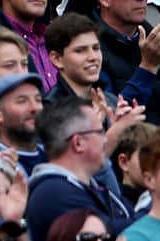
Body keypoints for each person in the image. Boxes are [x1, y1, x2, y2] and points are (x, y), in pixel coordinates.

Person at [25, 97, 133, 241]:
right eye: (100, 131)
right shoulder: (52, 193)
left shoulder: (92, 186)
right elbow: (108, 231)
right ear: (78, 143)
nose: (105, 139)